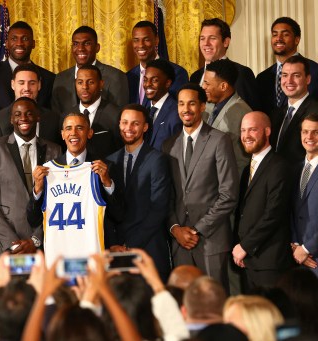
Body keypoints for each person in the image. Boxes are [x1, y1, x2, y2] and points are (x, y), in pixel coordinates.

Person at [162, 83, 238, 291]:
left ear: (203, 106)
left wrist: (197, 230)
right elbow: (167, 195)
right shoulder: (169, 145)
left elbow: (228, 194)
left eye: (192, 103)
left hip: (210, 240)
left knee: (215, 301)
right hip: (180, 243)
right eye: (181, 104)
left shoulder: (219, 140)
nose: (186, 109)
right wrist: (175, 229)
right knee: (185, 304)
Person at [27, 113, 123, 265]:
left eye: (80, 128)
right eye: (69, 128)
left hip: (91, 257)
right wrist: (37, 189)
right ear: (62, 134)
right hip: (58, 256)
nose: (74, 133)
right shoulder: (47, 170)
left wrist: (107, 182)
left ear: (89, 133)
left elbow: (118, 214)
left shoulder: (103, 168)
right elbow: (33, 219)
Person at [0, 97, 61, 258]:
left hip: (42, 245)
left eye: (29, 114)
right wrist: (12, 242)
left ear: (38, 117)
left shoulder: (54, 150)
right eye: (17, 114)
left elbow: (58, 200)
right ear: (11, 119)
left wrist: (36, 239)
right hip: (5, 245)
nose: (23, 118)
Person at [105, 104, 172, 280]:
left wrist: (130, 244)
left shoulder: (157, 159)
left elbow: (159, 207)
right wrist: (114, 244)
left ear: (145, 127)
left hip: (149, 250)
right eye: (125, 122)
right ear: (119, 125)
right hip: (117, 253)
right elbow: (105, 209)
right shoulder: (109, 162)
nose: (129, 128)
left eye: (135, 123)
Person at [234, 111, 293, 291]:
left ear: (267, 131)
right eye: (243, 130)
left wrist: (245, 246)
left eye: (252, 130)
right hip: (248, 261)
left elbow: (273, 214)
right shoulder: (246, 170)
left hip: (269, 263)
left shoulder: (279, 166)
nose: (246, 136)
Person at [291, 113, 318, 300]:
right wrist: (294, 246)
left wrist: (306, 249)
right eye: (305, 132)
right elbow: (291, 211)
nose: (309, 137)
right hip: (296, 261)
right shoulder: (295, 168)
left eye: (315, 132)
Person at [256, 17, 318, 114]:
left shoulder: (316, 72)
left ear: (297, 40)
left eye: (285, 34)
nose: (278, 39)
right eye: (275, 34)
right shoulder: (262, 77)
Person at [270, 55, 318, 164]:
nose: (289, 81)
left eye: (296, 75)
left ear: (308, 79)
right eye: (285, 75)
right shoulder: (276, 114)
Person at [51, 26, 129, 115]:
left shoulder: (116, 76)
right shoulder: (60, 78)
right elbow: (56, 117)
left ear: (97, 47)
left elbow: (122, 116)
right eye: (76, 44)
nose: (80, 48)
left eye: (87, 43)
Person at [190, 18, 260, 110]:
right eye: (202, 39)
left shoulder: (242, 73)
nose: (206, 43)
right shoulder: (195, 76)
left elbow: (251, 113)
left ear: (226, 42)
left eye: (212, 38)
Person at [0, 63, 61, 145]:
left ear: (39, 85)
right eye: (21, 83)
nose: (27, 88)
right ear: (13, 84)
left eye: (32, 83)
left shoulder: (54, 119)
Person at [0, 21, 55, 109]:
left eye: (25, 39)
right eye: (14, 39)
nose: (19, 43)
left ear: (33, 44)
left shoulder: (49, 78)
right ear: (7, 44)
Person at [202, 59, 251, 176]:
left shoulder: (242, 113)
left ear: (223, 86)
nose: (203, 87)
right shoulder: (206, 106)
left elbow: (241, 162)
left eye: (207, 83)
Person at [126, 20, 188, 103]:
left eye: (146, 39)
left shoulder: (177, 73)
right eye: (136, 40)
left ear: (156, 40)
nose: (140, 45)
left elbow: (177, 108)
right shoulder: (129, 76)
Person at [69, 64, 122, 159]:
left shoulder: (116, 115)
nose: (85, 87)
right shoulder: (66, 116)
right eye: (80, 82)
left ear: (101, 84)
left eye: (91, 82)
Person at [143, 59, 182, 149]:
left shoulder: (176, 113)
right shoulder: (144, 109)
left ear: (168, 83)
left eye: (154, 80)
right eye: (145, 80)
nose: (147, 84)